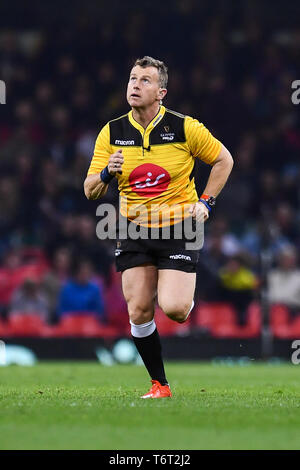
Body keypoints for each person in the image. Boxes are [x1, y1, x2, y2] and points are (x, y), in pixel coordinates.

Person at [84, 56, 233, 398]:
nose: (135, 85)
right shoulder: (112, 132)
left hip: (179, 226)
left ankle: (183, 292)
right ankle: (159, 385)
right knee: (137, 310)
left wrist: (206, 201)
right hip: (133, 228)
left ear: (161, 92)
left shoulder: (185, 128)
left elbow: (224, 159)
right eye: (132, 78)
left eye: (145, 81)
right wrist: (107, 171)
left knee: (176, 310)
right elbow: (90, 189)